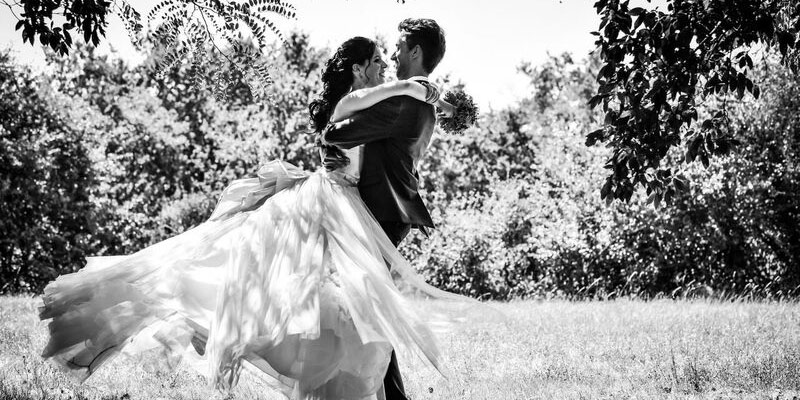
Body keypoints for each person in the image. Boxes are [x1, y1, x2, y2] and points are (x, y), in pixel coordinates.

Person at [39, 34, 465, 400]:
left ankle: (336, 375)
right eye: (375, 61)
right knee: (330, 294)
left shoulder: (366, 105)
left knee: (332, 297)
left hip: (345, 202)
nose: (383, 66)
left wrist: (439, 102)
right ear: (356, 70)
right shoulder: (353, 100)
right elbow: (392, 93)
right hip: (336, 202)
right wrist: (425, 91)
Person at [321, 18, 447, 400]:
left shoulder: (403, 101)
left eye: (399, 46)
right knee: (365, 307)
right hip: (391, 209)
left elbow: (336, 134)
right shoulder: (425, 103)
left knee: (370, 309)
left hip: (381, 210)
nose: (392, 55)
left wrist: (336, 129)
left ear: (416, 51)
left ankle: (385, 393)